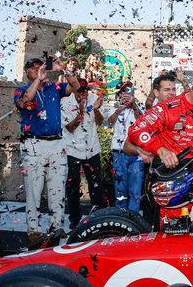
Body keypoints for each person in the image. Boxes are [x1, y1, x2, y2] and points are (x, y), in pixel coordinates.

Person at [128, 72, 193, 229]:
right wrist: (160, 149)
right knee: (175, 233)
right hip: (173, 183)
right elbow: (135, 130)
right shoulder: (169, 108)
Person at [14, 57, 79, 244]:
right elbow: (25, 101)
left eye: (40, 68)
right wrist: (38, 79)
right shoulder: (21, 90)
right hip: (34, 144)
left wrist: (64, 69)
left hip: (57, 143)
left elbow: (75, 86)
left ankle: (56, 226)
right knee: (34, 189)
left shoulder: (54, 88)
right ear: (27, 72)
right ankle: (33, 230)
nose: (38, 70)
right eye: (33, 69)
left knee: (57, 186)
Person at [61, 78, 105, 229]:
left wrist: (96, 109)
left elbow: (100, 122)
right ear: (74, 90)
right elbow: (70, 128)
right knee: (73, 186)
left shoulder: (93, 98)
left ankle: (98, 218)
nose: (84, 93)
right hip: (72, 149)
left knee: (96, 184)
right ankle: (74, 220)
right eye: (80, 91)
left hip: (91, 148)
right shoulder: (65, 103)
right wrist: (81, 110)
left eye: (85, 90)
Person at [106, 81, 145, 213]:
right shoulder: (114, 107)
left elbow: (143, 122)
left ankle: (133, 218)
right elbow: (109, 123)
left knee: (135, 191)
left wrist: (134, 106)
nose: (126, 95)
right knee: (120, 191)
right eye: (124, 92)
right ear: (120, 94)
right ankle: (121, 218)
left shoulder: (139, 106)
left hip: (136, 154)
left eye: (129, 91)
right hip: (119, 154)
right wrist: (118, 111)